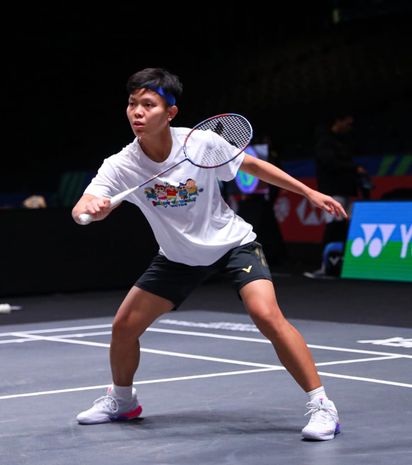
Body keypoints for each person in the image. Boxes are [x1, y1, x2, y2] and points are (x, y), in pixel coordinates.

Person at [71, 68, 346, 441]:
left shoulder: (199, 143)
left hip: (232, 245)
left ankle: (321, 406)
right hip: (177, 256)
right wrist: (93, 208)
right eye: (132, 104)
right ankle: (123, 401)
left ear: (170, 113)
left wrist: (308, 193)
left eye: (148, 105)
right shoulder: (123, 164)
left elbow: (253, 166)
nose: (137, 112)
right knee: (123, 328)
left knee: (266, 314)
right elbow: (85, 202)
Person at [304, 111, 367, 279]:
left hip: (346, 190)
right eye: (347, 123)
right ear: (338, 120)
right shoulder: (325, 141)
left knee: (342, 227)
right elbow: (330, 163)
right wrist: (354, 168)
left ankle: (339, 265)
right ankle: (326, 266)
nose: (349, 127)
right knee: (333, 226)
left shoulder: (345, 141)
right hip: (332, 192)